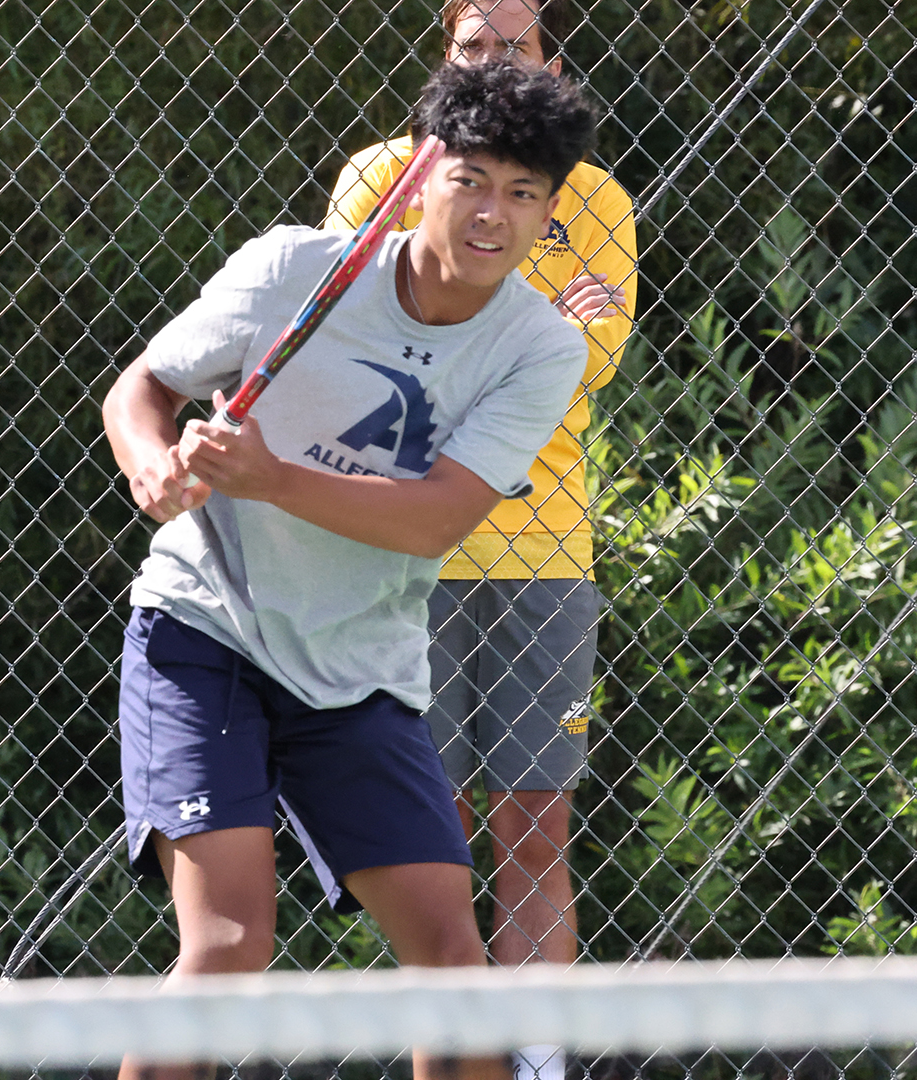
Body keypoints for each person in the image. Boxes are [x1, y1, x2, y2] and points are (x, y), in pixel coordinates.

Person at [103, 60, 598, 1080]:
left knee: (453, 969)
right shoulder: (294, 269)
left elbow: (435, 523)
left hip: (358, 667)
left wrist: (271, 477)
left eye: (524, 194)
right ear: (424, 175)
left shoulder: (538, 350)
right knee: (230, 948)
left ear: (548, 215)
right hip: (208, 634)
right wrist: (153, 467)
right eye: (472, 179)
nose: (492, 214)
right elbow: (144, 386)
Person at [322, 5, 637, 1073]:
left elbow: (583, 370)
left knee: (536, 829)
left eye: (519, 43)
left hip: (547, 556)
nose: (500, 62)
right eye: (476, 45)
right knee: (431, 840)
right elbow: (368, 338)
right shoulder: (377, 178)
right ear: (443, 58)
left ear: (551, 56)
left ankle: (538, 1064)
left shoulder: (597, 199)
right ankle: (453, 1061)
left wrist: (481, 329)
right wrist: (547, 314)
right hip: (407, 550)